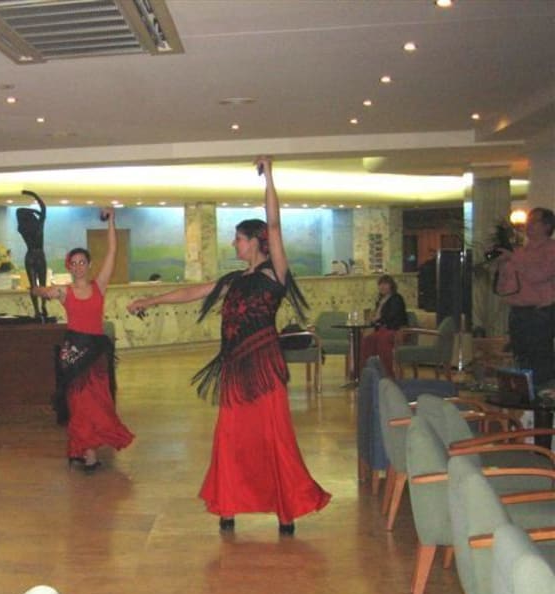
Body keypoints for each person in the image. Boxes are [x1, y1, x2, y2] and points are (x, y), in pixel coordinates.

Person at [127, 157, 331, 534]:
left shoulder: (275, 273)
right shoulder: (235, 279)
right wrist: (151, 300)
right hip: (236, 367)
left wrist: (269, 177)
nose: (233, 243)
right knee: (232, 436)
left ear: (255, 242)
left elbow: (274, 224)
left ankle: (286, 510)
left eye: (238, 238)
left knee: (273, 436)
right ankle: (229, 503)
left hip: (264, 368)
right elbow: (193, 292)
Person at [33, 207, 134, 471]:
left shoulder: (99, 286)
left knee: (98, 403)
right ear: (69, 266)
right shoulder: (64, 292)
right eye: (74, 263)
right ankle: (88, 454)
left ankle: (79, 449)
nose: (78, 266)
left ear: (89, 265)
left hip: (96, 353)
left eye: (82, 262)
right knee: (79, 404)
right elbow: (38, 290)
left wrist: (112, 221)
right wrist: (43, 291)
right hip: (74, 353)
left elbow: (112, 252)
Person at [493, 206, 555, 386]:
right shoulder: (520, 252)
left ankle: (542, 395)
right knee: (521, 356)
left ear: (547, 226)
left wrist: (513, 259)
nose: (529, 225)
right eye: (529, 221)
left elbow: (539, 275)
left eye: (534, 221)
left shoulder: (551, 250)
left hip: (539, 312)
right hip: (517, 312)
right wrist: (502, 266)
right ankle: (524, 397)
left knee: (539, 358)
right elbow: (505, 287)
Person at [359, 274, 409, 377]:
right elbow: (377, 319)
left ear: (391, 286)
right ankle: (367, 372)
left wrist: (377, 321)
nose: (382, 286)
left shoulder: (396, 298)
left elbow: (392, 316)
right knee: (367, 339)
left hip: (395, 329)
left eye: (385, 284)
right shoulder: (380, 300)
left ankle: (388, 374)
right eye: (380, 284)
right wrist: (373, 322)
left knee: (382, 339)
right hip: (382, 329)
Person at [17, 189, 49, 320]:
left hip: (29, 255)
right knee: (42, 285)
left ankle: (36, 310)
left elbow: (19, 211)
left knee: (33, 286)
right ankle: (43, 306)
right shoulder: (39, 226)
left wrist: (31, 211)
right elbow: (43, 208)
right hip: (39, 255)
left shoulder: (22, 228)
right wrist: (33, 195)